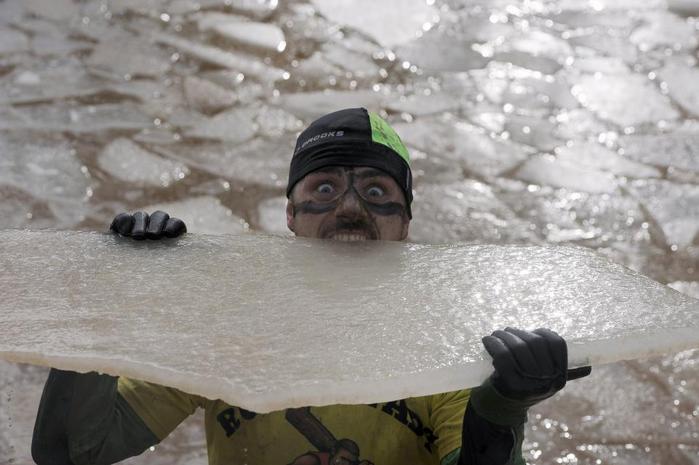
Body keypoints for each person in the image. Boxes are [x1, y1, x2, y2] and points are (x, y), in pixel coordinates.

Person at [32, 108, 590, 465]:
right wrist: (105, 309)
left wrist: (501, 409)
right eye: (324, 188)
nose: (349, 207)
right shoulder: (231, 323)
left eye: (375, 192)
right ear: (291, 216)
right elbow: (68, 453)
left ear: (406, 222)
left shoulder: (448, 340)